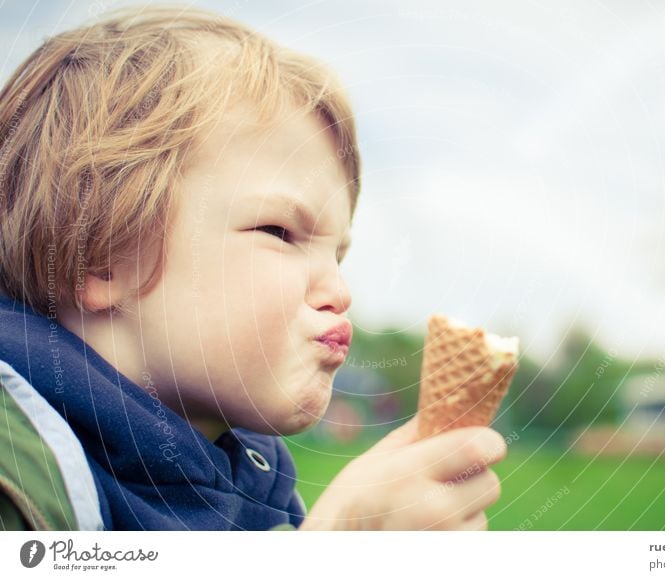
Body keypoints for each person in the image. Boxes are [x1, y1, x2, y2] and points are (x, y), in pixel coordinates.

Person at [0, 6, 505, 531]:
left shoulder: (263, 492)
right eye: (280, 233)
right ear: (101, 256)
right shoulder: (20, 472)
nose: (338, 289)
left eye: (338, 255)